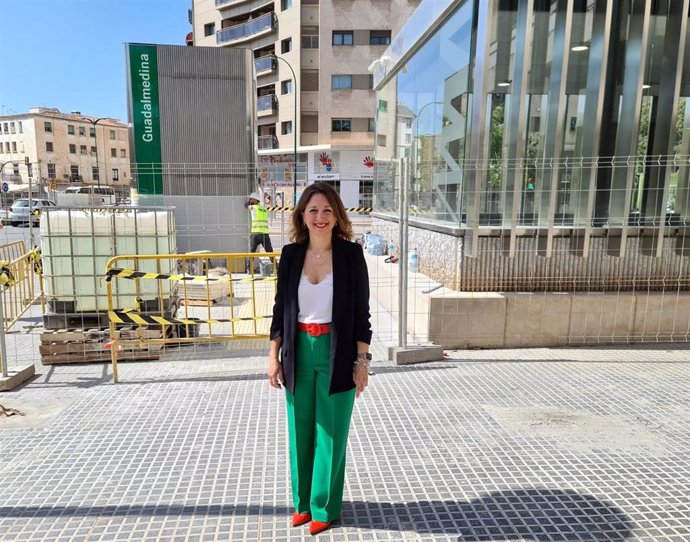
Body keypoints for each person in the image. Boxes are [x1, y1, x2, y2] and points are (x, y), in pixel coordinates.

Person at [268, 182, 372, 535]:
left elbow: (362, 314)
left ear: (337, 215)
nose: (320, 217)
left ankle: (324, 506)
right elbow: (280, 309)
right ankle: (302, 503)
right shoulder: (291, 255)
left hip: (337, 352)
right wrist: (273, 355)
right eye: (313, 210)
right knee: (300, 429)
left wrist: (362, 362)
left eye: (327, 210)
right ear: (302, 215)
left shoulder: (350, 256)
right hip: (298, 349)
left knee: (330, 432)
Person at [246, 188, 273, 272]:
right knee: (270, 253)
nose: (250, 200)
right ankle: (277, 269)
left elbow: (246, 205)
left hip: (255, 234)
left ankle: (249, 270)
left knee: (251, 253)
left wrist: (250, 202)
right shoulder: (264, 209)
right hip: (265, 234)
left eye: (251, 199)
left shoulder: (253, 207)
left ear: (255, 200)